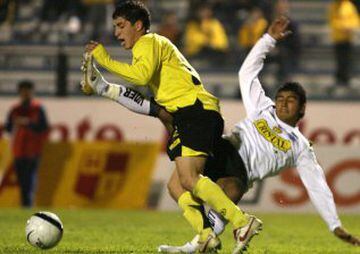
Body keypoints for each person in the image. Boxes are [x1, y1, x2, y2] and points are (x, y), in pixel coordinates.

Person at [81, 15, 360, 252]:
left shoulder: (300, 147)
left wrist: (334, 224)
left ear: (302, 111)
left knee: (193, 183)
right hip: (223, 147)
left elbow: (317, 186)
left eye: (291, 101)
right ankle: (218, 233)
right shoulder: (264, 108)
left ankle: (203, 240)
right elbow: (246, 73)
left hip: (240, 173)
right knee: (177, 182)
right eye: (281, 96)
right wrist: (267, 40)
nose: (283, 102)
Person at [83, 1, 259, 253]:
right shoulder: (153, 51)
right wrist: (102, 86)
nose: (116, 33)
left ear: (139, 25)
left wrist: (104, 59)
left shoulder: (149, 42)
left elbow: (140, 77)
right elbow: (147, 102)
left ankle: (242, 222)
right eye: (115, 27)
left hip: (195, 111)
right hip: (191, 114)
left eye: (121, 26)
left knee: (189, 178)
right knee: (176, 186)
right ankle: (206, 235)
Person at [4, 80, 49, 207]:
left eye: (28, 91)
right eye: (23, 91)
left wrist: (27, 123)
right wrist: (14, 124)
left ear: (31, 92)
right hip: (18, 150)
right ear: (20, 93)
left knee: (30, 179)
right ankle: (25, 205)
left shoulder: (37, 108)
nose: (26, 93)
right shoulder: (15, 109)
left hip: (33, 150)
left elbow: (43, 127)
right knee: (22, 180)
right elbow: (8, 128)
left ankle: (28, 205)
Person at [328, 0, 360, 94]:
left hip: (348, 38)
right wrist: (343, 27)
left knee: (348, 60)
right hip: (338, 38)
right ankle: (340, 80)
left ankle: (348, 79)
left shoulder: (349, 5)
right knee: (340, 60)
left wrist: (350, 27)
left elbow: (355, 20)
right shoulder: (334, 6)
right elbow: (332, 21)